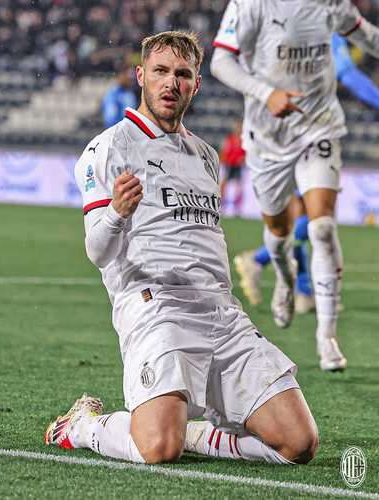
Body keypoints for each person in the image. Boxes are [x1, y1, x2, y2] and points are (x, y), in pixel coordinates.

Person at [45, 31, 318, 466]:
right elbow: (98, 251)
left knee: (298, 444)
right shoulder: (110, 147)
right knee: (158, 448)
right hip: (158, 309)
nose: (171, 82)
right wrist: (116, 212)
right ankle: (83, 427)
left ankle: (194, 432)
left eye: (183, 74)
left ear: (196, 84)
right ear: (141, 76)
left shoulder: (205, 155)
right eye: (160, 72)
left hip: (221, 313)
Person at [211, 0, 379, 371]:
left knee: (321, 227)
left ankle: (327, 336)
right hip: (267, 137)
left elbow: (368, 37)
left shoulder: (332, 4)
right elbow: (220, 61)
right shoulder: (251, 5)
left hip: (318, 128)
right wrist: (265, 93)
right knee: (278, 230)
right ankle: (284, 278)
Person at [235, 32, 379, 315]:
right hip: (304, 129)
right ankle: (259, 260)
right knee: (319, 214)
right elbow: (348, 75)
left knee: (301, 214)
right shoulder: (323, 25)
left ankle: (302, 292)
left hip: (276, 125)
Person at [219, 118, 246, 215]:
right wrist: (224, 161)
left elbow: (246, 153)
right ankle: (221, 205)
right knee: (223, 185)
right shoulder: (229, 139)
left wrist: (243, 159)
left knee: (239, 187)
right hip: (229, 165)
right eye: (237, 126)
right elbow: (224, 151)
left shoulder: (243, 140)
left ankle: (237, 207)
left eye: (239, 127)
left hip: (238, 166)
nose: (238, 128)